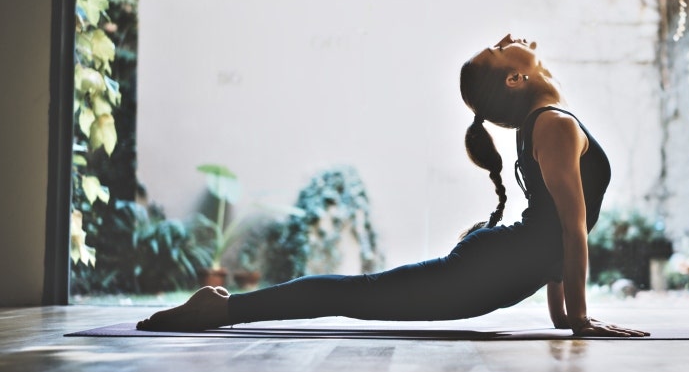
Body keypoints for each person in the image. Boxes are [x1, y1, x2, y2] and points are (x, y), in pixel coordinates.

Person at [136, 34, 649, 337]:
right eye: (499, 48)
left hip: (496, 269)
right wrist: (577, 317)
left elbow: (555, 231)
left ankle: (222, 307)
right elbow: (569, 228)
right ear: (516, 79)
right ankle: (220, 309)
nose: (510, 40)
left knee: (363, 295)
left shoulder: (545, 123)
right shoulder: (553, 124)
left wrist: (563, 315)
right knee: (360, 295)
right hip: (487, 272)